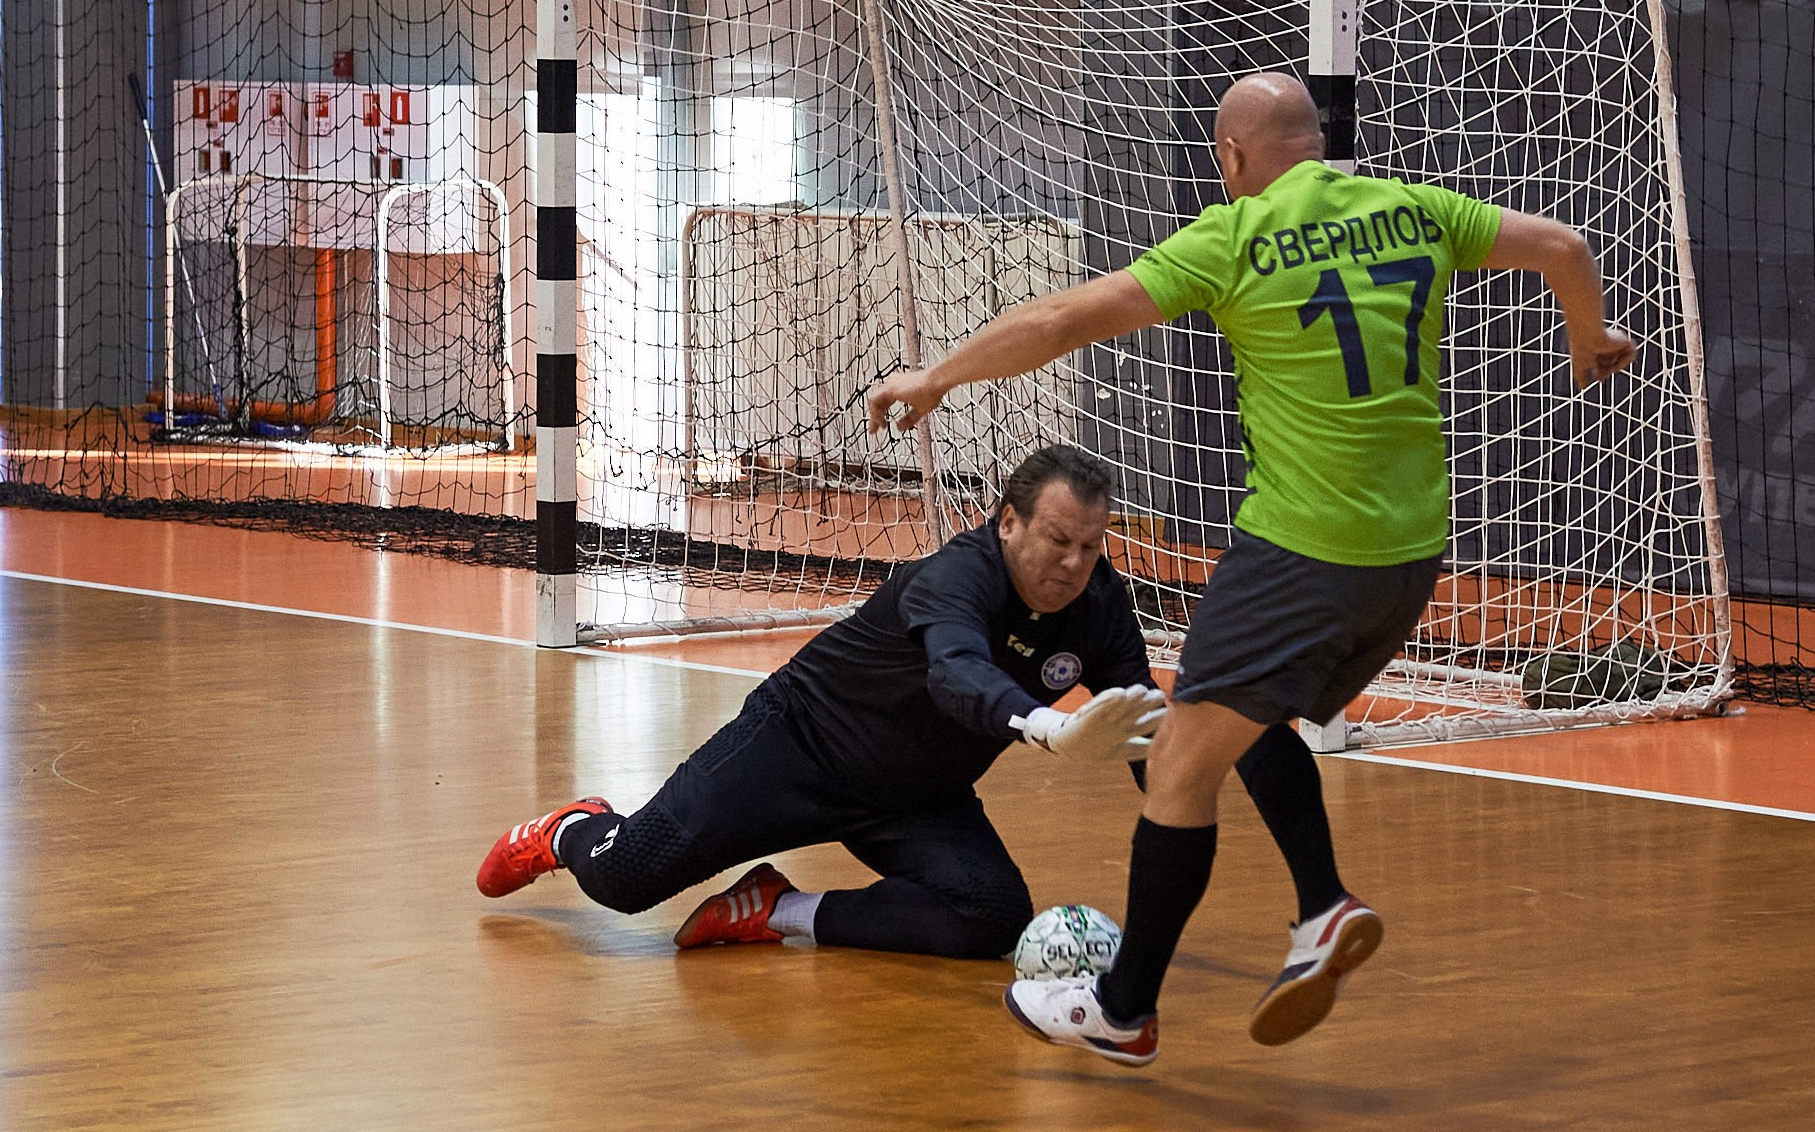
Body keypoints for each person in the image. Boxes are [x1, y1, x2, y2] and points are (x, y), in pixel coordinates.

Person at [868, 71, 1636, 1064]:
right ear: (1315, 142)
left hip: (1296, 548)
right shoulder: (1415, 209)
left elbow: (1062, 318)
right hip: (1404, 559)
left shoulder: (1232, 240)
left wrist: (935, 375)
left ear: (1229, 159)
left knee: (1179, 764)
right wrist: (1590, 333)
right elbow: (1561, 247)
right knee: (1246, 712)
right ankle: (1318, 905)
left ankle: (1122, 1005)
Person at [474, 443, 1168, 961]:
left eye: (1089, 544)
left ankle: (780, 909)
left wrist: (1198, 765)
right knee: (623, 880)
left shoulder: (1100, 606)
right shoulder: (957, 576)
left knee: (991, 915)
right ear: (1008, 522)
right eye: (1057, 539)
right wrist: (1046, 725)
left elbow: (1149, 731)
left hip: (918, 797)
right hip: (797, 747)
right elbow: (959, 673)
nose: (1074, 563)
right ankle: (572, 827)